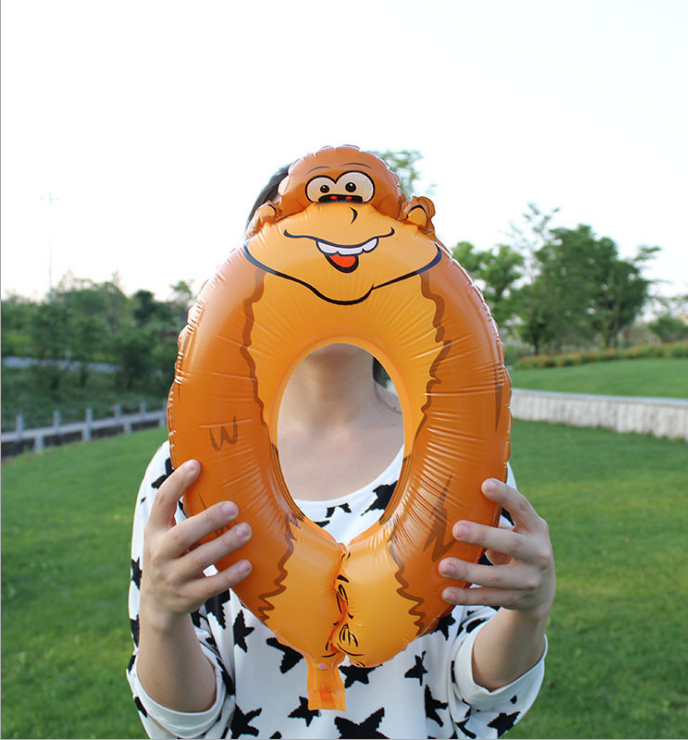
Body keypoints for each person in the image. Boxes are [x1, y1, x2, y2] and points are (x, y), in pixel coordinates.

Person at [127, 162, 556, 739]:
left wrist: (528, 612)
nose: (332, 258)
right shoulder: (183, 472)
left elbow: (477, 696)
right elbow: (184, 724)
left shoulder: (468, 463)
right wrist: (159, 615)